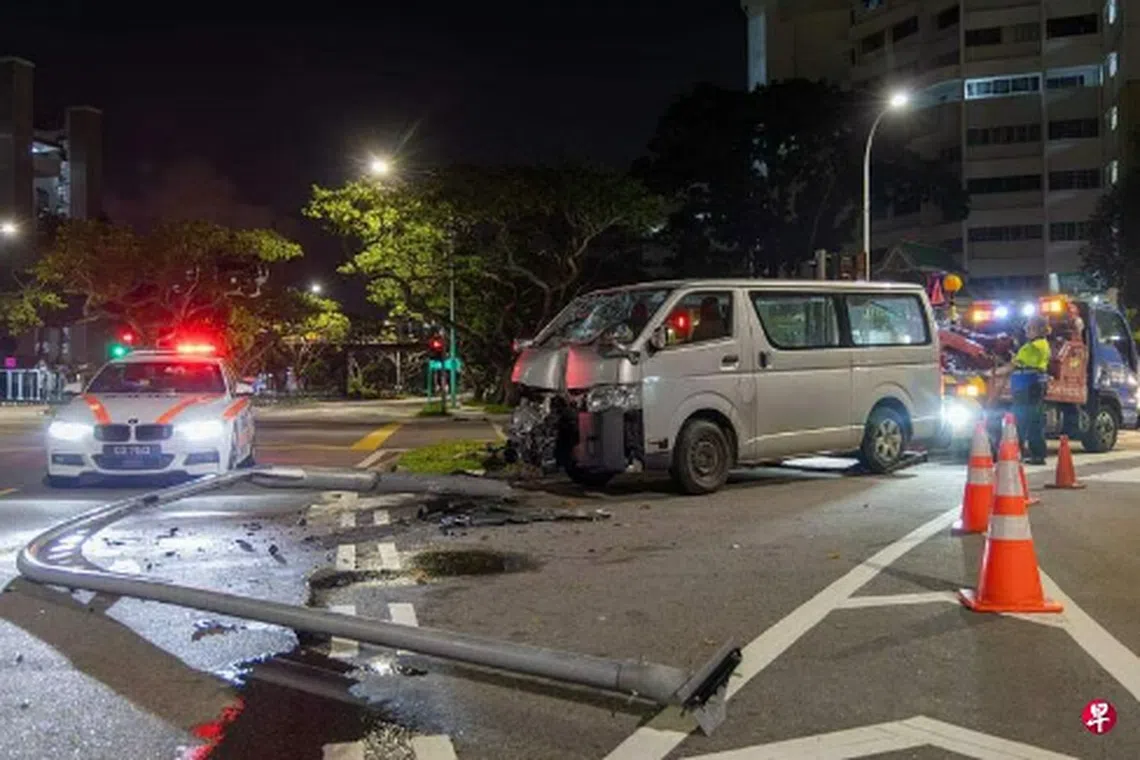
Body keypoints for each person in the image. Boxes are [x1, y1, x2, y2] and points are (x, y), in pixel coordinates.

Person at [1010, 315, 1051, 464]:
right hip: (1031, 385)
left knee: (1022, 420)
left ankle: (1019, 453)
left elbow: (1016, 364)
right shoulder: (1040, 344)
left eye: (1029, 327)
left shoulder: (1034, 346)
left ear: (1038, 329)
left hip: (1028, 387)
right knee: (1032, 420)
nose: (1026, 330)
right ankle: (1036, 454)